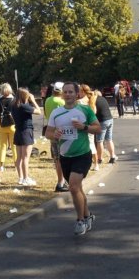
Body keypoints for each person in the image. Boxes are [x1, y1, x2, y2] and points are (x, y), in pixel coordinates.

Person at [44, 81, 101, 236]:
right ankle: (88, 215)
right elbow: (48, 133)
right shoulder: (56, 113)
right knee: (78, 189)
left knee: (74, 187)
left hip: (82, 155)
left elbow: (98, 128)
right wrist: (54, 135)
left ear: (77, 94)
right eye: (65, 92)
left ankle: (80, 220)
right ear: (62, 94)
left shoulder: (85, 110)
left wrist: (84, 127)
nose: (68, 94)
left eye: (71, 92)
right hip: (65, 157)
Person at [11, 86, 39, 186]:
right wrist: (33, 101)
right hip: (26, 131)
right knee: (25, 157)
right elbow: (39, 111)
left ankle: (21, 177)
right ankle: (26, 178)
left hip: (18, 131)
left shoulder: (14, 105)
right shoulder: (24, 107)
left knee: (19, 157)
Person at [44, 82, 67, 191]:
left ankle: (60, 181)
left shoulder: (48, 100)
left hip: (51, 130)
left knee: (57, 158)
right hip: (61, 132)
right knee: (64, 157)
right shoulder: (61, 101)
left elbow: (46, 114)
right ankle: (63, 181)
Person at [92, 87, 115, 169]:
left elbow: (94, 112)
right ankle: (112, 157)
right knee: (109, 139)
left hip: (102, 121)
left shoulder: (94, 100)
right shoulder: (103, 99)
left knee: (99, 141)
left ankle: (99, 159)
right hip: (110, 119)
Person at [0, 83, 15, 172]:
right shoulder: (14, 100)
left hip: (2, 125)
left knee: (3, 146)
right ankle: (16, 165)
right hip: (12, 125)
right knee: (14, 146)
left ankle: (1, 166)